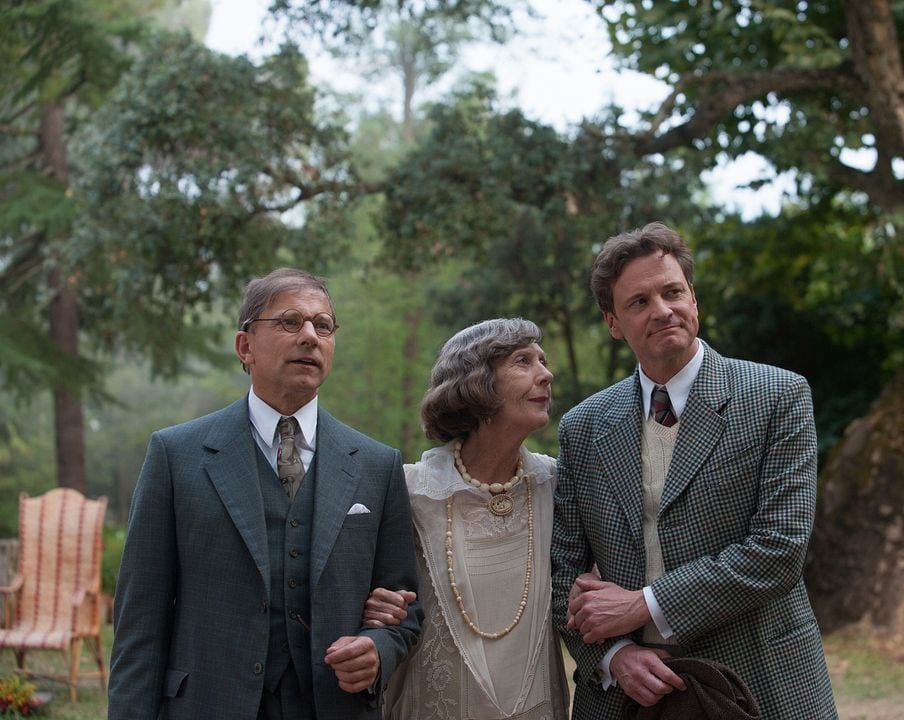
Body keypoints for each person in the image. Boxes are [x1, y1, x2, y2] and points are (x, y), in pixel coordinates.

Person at [108, 268, 423, 720]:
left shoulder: (378, 465)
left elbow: (404, 609)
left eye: (324, 326)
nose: (310, 336)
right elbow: (140, 621)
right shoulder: (175, 456)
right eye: (291, 321)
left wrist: (378, 649)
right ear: (245, 346)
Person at [551, 223, 838, 720]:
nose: (662, 310)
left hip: (759, 683)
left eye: (672, 292)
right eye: (639, 302)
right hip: (629, 698)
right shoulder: (583, 427)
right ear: (613, 323)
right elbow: (564, 579)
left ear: (694, 300)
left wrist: (644, 605)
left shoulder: (777, 397)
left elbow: (779, 549)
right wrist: (615, 656)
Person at [363, 318, 570, 720]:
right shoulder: (410, 491)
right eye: (523, 361)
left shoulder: (555, 484)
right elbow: (369, 597)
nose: (546, 375)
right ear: (477, 382)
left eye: (543, 361)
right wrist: (371, 606)